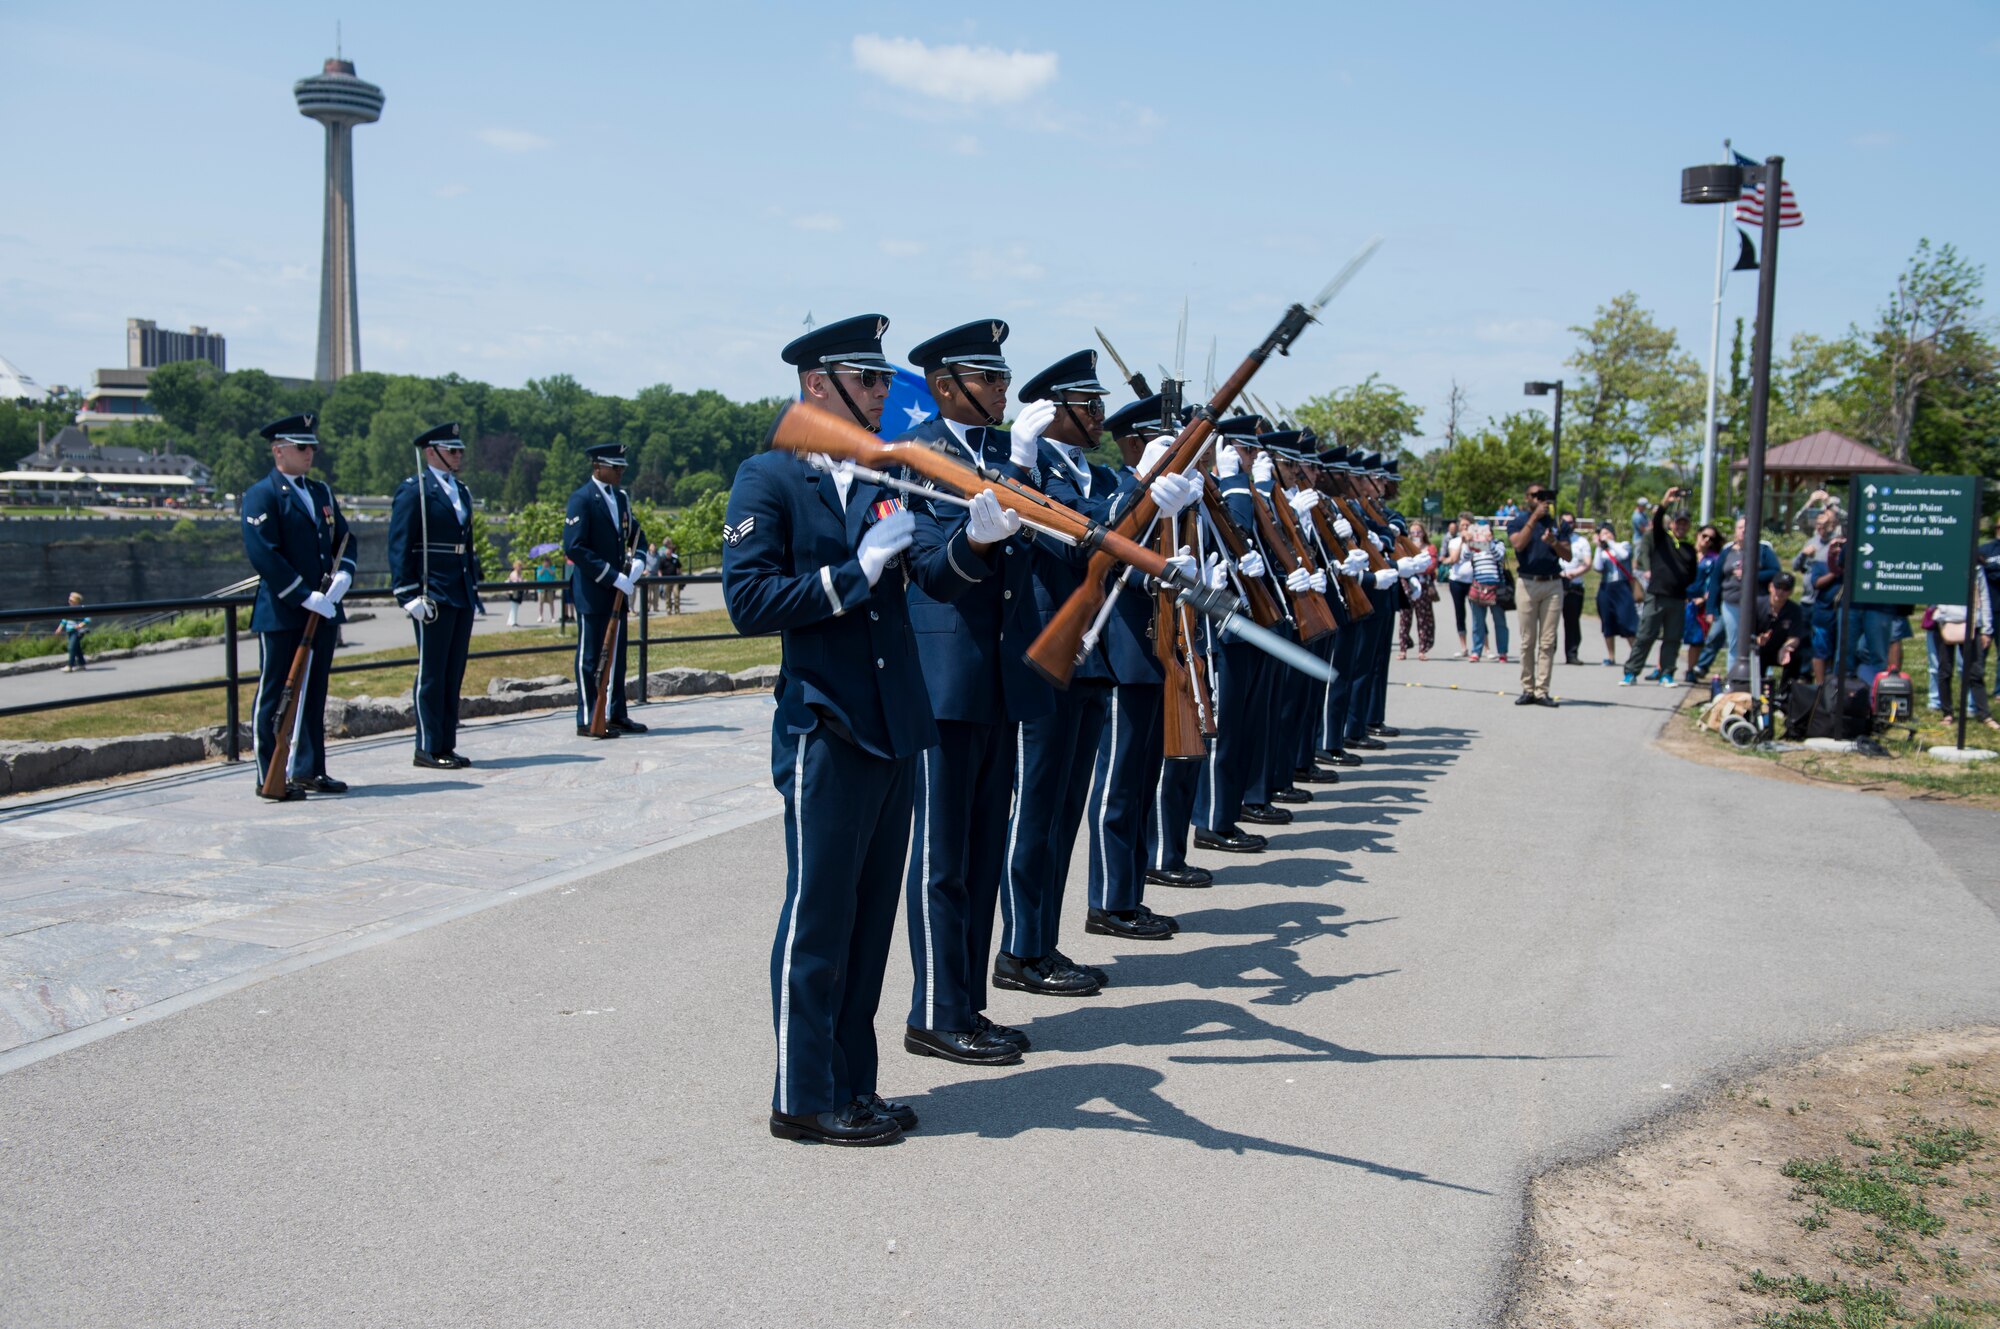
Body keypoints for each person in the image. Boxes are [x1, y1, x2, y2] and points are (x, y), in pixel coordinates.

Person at [722, 312, 967, 1146]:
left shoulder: (878, 476)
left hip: (893, 724)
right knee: (819, 915)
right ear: (818, 383)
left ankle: (853, 1086)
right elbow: (748, 601)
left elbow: (934, 570)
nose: (880, 396)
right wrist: (847, 575)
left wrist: (979, 539)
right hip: (824, 723)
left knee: (869, 922)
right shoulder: (767, 478)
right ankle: (801, 1094)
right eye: (869, 381)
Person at [896, 318, 1045, 1070]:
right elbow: (930, 569)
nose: (1002, 389)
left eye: (1004, 377)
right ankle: (934, 1010)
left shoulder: (1005, 457)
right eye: (989, 379)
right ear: (946, 384)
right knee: (942, 857)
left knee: (984, 853)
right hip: (945, 684)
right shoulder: (920, 455)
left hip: (999, 682)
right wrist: (976, 543)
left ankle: (967, 1003)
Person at [240, 413, 358, 799]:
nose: (311, 453)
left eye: (313, 447)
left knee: (314, 692)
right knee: (275, 692)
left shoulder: (321, 492)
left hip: (321, 611)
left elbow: (345, 539)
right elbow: (265, 554)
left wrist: (344, 577)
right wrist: (304, 594)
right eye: (303, 447)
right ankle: (268, 774)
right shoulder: (263, 494)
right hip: (284, 611)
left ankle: (309, 768)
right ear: (279, 451)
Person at [387, 421, 483, 769]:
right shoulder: (415, 490)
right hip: (433, 592)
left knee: (452, 672)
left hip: (459, 589)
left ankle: (446, 742)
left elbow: (466, 544)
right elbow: (399, 544)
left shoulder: (461, 490)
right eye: (452, 450)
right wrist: (407, 593)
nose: (458, 456)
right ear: (432, 452)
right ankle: (426, 746)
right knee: (432, 672)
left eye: (460, 450)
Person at [564, 442, 650, 738]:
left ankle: (615, 713)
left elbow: (637, 535)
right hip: (594, 591)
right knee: (590, 658)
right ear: (597, 466)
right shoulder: (582, 499)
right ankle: (588, 717)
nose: (621, 472)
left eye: (623, 467)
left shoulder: (621, 499)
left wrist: (639, 561)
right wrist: (613, 576)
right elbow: (575, 547)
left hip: (617, 594)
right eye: (616, 467)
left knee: (618, 657)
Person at [1691, 516, 1780, 684]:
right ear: (1735, 531)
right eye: (1740, 528)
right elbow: (1716, 581)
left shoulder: (1764, 551)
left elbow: (1775, 572)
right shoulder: (1727, 552)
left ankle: (1762, 679)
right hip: (1731, 603)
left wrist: (1752, 575)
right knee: (1735, 643)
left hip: (1758, 604)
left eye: (1748, 528)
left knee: (1758, 641)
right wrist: (1711, 609)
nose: (1744, 531)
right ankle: (1734, 680)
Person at [1623, 487, 1696, 686]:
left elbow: (1692, 575)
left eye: (1685, 523)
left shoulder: (1689, 549)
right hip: (1656, 595)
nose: (1681, 526)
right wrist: (1666, 502)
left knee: (1672, 639)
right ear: (1672, 524)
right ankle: (1631, 672)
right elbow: (1656, 522)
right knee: (1646, 635)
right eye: (1678, 522)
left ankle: (1667, 673)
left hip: (1678, 598)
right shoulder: (1662, 540)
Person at [1506, 482, 1567, 706]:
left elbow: (1568, 555)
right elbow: (1519, 545)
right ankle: (1527, 688)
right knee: (1527, 640)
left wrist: (1554, 543)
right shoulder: (1519, 521)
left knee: (1548, 641)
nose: (1540, 499)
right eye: (1535, 495)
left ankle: (1542, 691)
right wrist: (1534, 519)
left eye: (1544, 495)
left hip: (1552, 584)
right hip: (1527, 584)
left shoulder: (1556, 522)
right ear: (1527, 498)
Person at [1928, 557, 1994, 730]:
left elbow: (1984, 598)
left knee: (1975, 671)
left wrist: (1986, 629)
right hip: (1944, 622)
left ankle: (1984, 714)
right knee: (1945, 670)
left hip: (1972, 624)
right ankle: (1947, 713)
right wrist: (1940, 611)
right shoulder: (1940, 564)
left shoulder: (1977, 569)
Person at [1752, 571, 1809, 695]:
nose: (1781, 592)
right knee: (1755, 654)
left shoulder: (1795, 610)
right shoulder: (1757, 605)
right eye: (1778, 587)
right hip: (1760, 649)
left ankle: (1785, 696)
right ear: (1770, 587)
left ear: (1791, 592)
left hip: (1779, 650)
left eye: (1786, 589)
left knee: (1795, 655)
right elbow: (1745, 633)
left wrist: (1786, 647)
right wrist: (1757, 640)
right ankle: (1757, 694)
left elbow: (1795, 637)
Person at [1592, 522, 1639, 669]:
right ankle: (1610, 656)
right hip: (1606, 588)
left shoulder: (1622, 545)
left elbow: (1623, 555)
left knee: (1627, 621)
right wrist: (1599, 547)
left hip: (1622, 587)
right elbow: (1597, 567)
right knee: (1607, 622)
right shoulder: (1603, 551)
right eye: (1602, 533)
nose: (1604, 536)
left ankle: (1636, 655)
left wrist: (1609, 542)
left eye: (1607, 532)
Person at [1465, 520, 1509, 663]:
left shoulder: (1498, 544)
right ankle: (1476, 651)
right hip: (1478, 587)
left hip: (1496, 588)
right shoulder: (1476, 546)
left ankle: (1502, 652)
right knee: (1478, 622)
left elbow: (1499, 556)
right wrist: (1468, 542)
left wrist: (1489, 542)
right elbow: (1465, 557)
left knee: (1500, 622)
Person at [1395, 521, 1437, 661]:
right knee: (1405, 618)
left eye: (1418, 532)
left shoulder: (1429, 548)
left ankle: (1423, 649)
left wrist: (1416, 562)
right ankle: (1403, 649)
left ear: (1423, 533)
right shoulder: (1403, 548)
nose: (1415, 535)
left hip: (1424, 586)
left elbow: (1431, 566)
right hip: (1407, 585)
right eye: (1412, 532)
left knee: (1423, 619)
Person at [1557, 513, 1590, 666]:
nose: (1567, 525)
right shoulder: (1553, 538)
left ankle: (1572, 654)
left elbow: (1587, 563)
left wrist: (1573, 573)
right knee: (1550, 622)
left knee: (1572, 622)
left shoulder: (1581, 541)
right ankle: (1548, 654)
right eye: (1564, 522)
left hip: (1574, 585)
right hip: (1556, 583)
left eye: (1570, 523)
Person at [1445, 513, 1473, 658]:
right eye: (1463, 525)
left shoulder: (1478, 541)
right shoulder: (1454, 542)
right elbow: (1454, 559)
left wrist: (1471, 542)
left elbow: (1485, 554)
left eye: (1468, 525)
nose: (1465, 528)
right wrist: (1463, 542)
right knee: (1460, 613)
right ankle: (1464, 646)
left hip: (1473, 581)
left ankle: (1482, 647)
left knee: (1477, 614)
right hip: (1456, 581)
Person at [56, 593, 89, 672]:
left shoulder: (81, 609)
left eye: (72, 601)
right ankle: (82, 664)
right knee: (77, 648)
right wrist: (59, 628)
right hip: (70, 631)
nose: (70, 602)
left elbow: (87, 619)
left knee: (71, 647)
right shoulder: (69, 609)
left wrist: (81, 625)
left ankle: (70, 665)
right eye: (70, 600)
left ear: (77, 602)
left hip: (77, 632)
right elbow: (64, 620)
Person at [535, 558, 557, 623]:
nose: (546, 563)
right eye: (545, 562)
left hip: (550, 588)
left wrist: (548, 568)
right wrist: (543, 568)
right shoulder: (539, 567)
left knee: (551, 603)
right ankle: (540, 616)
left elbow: (552, 574)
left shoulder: (552, 567)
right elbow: (539, 574)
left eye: (547, 562)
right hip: (541, 588)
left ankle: (552, 617)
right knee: (540, 603)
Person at [505, 560, 526, 627]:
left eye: (520, 566)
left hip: (517, 592)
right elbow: (515, 582)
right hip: (514, 592)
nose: (520, 568)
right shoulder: (514, 574)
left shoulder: (519, 574)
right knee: (514, 606)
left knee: (514, 606)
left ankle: (510, 621)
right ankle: (513, 622)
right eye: (518, 566)